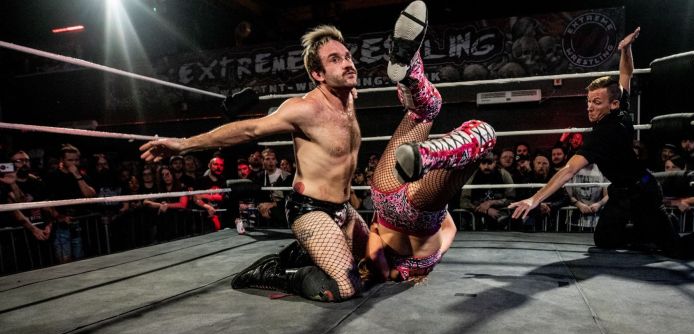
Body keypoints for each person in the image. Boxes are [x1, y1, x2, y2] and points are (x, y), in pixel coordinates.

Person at [141, 24, 369, 302]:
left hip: (342, 208)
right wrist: (183, 144)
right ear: (318, 74)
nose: (347, 64)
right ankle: (269, 272)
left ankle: (298, 253)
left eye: (347, 56)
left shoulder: (347, 98)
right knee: (344, 287)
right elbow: (249, 129)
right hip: (311, 209)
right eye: (335, 59)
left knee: (375, 264)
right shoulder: (305, 108)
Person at [508, 27, 694, 257]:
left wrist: (534, 198)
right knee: (604, 240)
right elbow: (627, 75)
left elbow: (568, 170)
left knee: (675, 249)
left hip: (643, 193)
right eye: (588, 102)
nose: (590, 108)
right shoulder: (620, 108)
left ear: (611, 104)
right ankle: (650, 233)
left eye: (596, 103)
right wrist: (626, 49)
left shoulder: (605, 133)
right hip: (622, 193)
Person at [362, 0, 496, 283]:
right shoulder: (415, 263)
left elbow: (449, 230)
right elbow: (375, 244)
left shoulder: (424, 260)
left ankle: (427, 155)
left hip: (419, 217)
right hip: (385, 197)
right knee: (424, 111)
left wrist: (423, 261)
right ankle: (410, 75)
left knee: (484, 133)